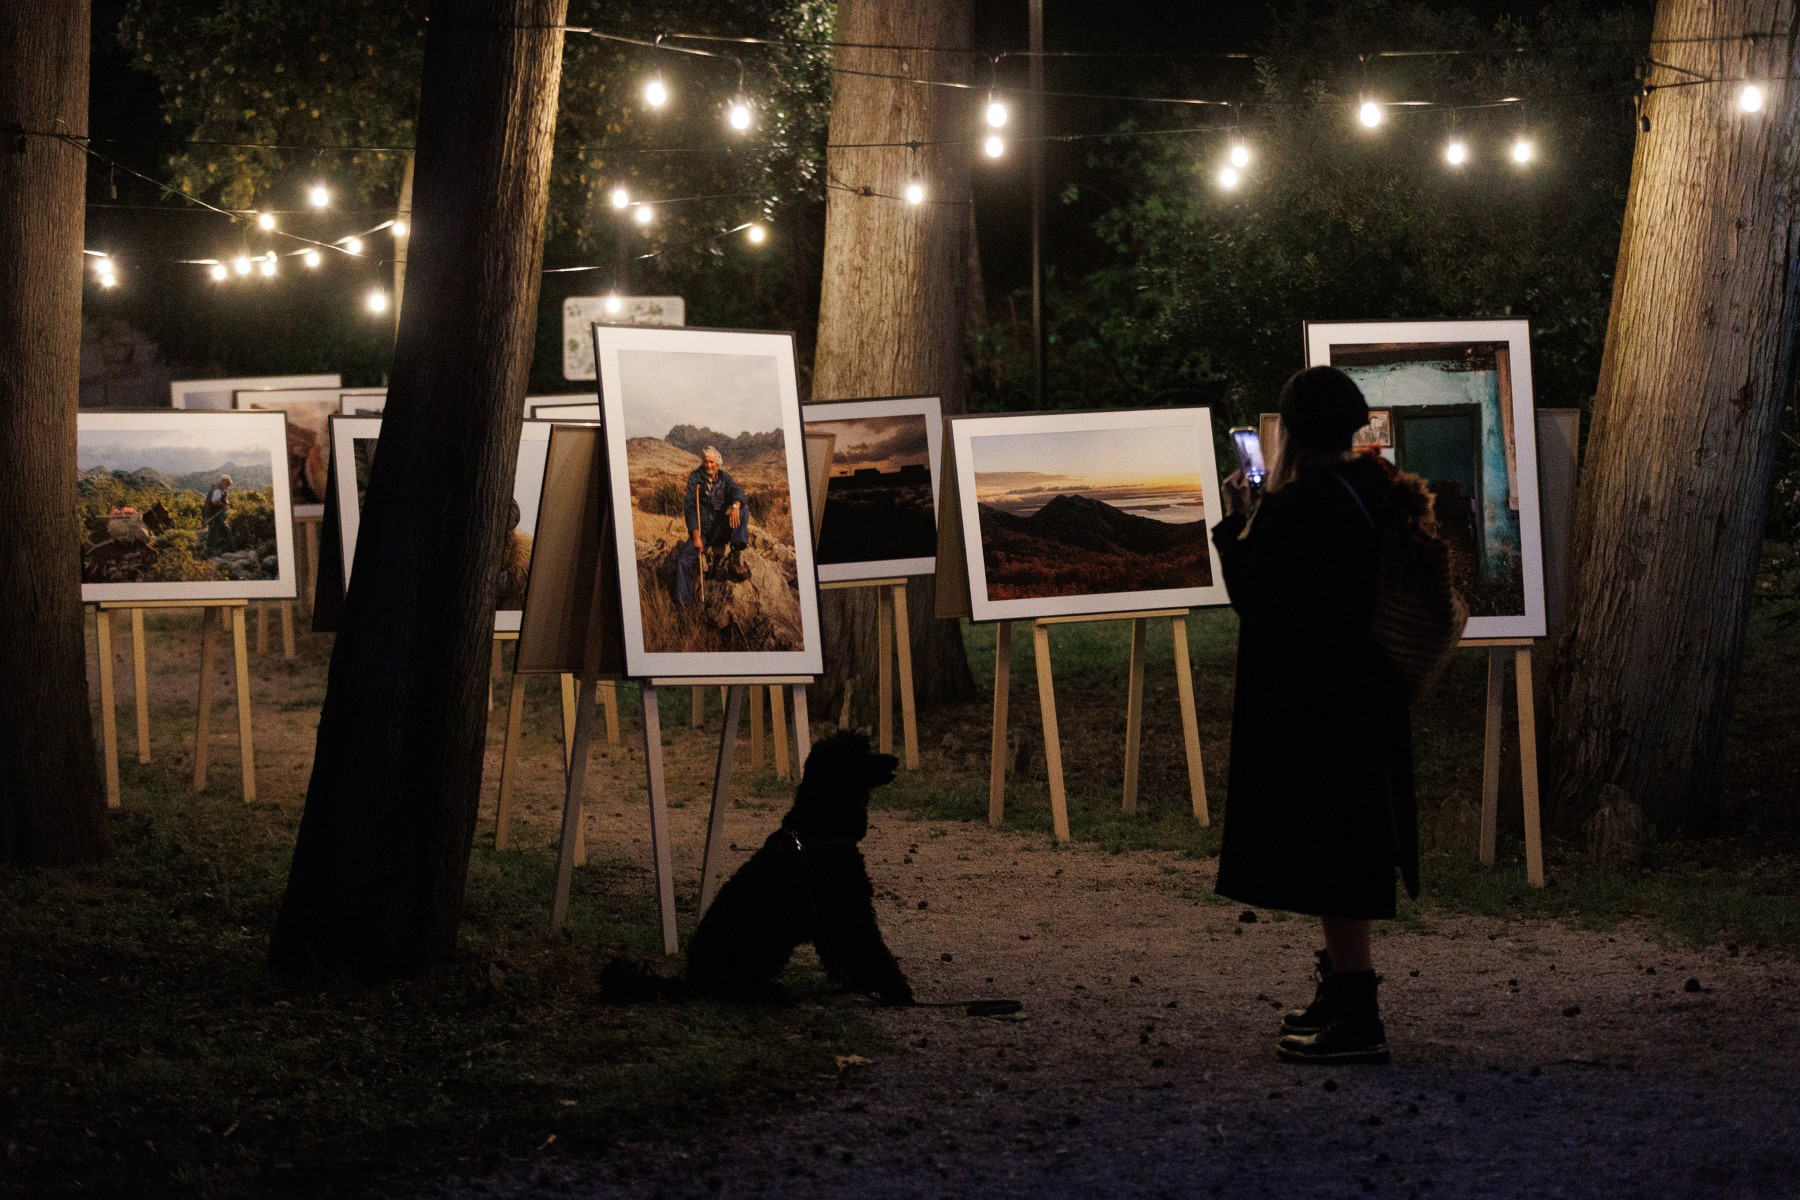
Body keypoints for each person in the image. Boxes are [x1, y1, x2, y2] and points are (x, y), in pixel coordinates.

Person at [1211, 365, 1429, 1066]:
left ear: (1293, 431)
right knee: (1350, 845)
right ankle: (1340, 994)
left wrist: (1233, 524)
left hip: (1318, 709)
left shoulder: (1301, 505)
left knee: (1336, 854)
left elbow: (1254, 592)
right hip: (1366, 697)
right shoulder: (1374, 488)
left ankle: (1357, 1015)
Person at [675, 446, 751, 605]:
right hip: (702, 531)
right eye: (705, 462)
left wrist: (736, 505)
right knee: (683, 561)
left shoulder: (724, 478)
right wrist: (695, 536)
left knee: (742, 509)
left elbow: (737, 491)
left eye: (711, 462)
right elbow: (689, 509)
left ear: (718, 462)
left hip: (720, 529)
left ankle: (734, 558)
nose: (708, 465)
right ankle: (684, 604)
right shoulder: (695, 478)